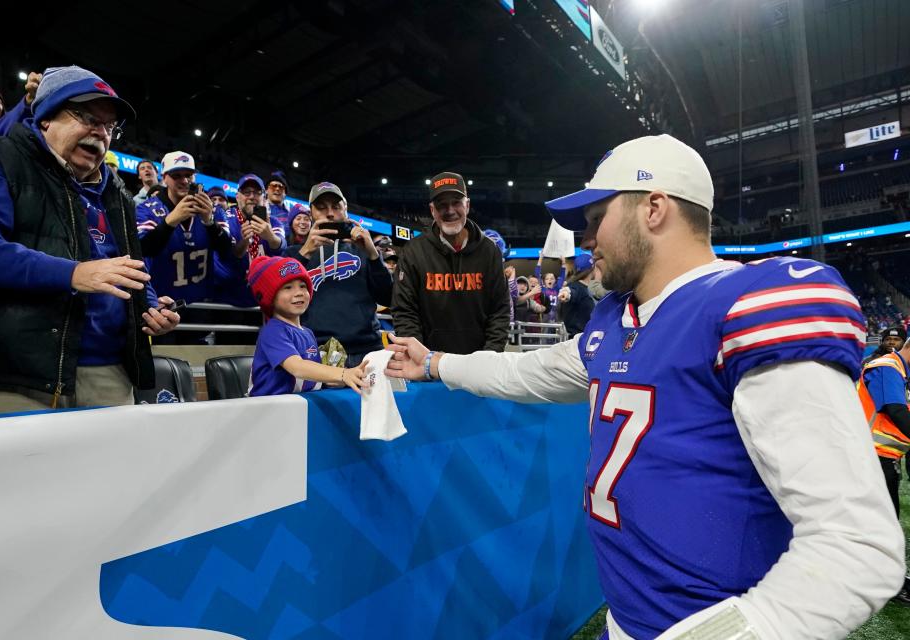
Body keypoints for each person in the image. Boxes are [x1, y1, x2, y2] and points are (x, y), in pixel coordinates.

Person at [386, 134, 904, 640]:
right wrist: (433, 362)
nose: (587, 242)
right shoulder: (619, 320)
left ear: (653, 209)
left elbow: (856, 544)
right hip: (627, 615)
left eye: (596, 221)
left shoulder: (744, 309)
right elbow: (526, 372)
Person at [0, 65, 180, 415]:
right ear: (45, 118)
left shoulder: (115, 191)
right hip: (14, 376)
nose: (99, 133)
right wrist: (73, 273)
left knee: (112, 471)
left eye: (108, 127)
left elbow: (127, 263)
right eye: (87, 117)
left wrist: (149, 306)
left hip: (109, 372)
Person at [390, 172, 510, 354]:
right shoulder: (413, 251)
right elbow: (405, 311)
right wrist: (420, 357)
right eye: (442, 205)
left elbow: (500, 310)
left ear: (467, 205)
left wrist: (489, 356)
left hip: (479, 364)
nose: (450, 210)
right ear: (432, 210)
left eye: (456, 202)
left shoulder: (489, 251)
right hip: (428, 364)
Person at [284, 181, 393, 367]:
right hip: (317, 352)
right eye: (321, 207)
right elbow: (282, 300)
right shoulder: (294, 253)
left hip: (367, 350)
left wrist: (374, 255)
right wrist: (306, 252)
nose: (329, 213)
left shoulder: (364, 250)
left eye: (336, 206)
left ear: (346, 209)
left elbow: (387, 297)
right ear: (311, 213)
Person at [247, 255, 369, 397]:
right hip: (267, 411)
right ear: (270, 298)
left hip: (300, 407)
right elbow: (297, 367)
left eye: (303, 286)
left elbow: (309, 376)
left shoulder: (307, 332)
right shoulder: (273, 330)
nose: (298, 293)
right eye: (288, 287)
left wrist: (337, 379)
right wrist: (342, 374)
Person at [135, 150, 233, 304]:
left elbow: (227, 251)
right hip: (164, 302)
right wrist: (170, 221)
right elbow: (143, 249)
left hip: (202, 302)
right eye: (177, 175)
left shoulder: (213, 209)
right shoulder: (146, 209)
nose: (185, 181)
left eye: (189, 175)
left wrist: (209, 222)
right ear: (164, 178)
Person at [857, 336, 910, 604]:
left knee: (882, 519)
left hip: (882, 455)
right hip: (872, 455)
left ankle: (889, 578)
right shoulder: (888, 367)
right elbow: (895, 410)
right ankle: (886, 581)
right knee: (883, 521)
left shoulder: (897, 369)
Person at [212, 173, 285, 307]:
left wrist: (270, 237)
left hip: (262, 301)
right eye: (246, 192)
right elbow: (226, 253)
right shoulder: (225, 217)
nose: (252, 196)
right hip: (226, 301)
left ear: (264, 197)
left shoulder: (273, 222)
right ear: (237, 196)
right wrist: (244, 241)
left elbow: (282, 247)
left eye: (257, 193)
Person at [558, 252, 596, 338]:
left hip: (583, 341)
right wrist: (566, 294)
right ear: (592, 269)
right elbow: (570, 292)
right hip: (577, 343)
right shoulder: (576, 287)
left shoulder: (584, 288)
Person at [534, 250, 567, 323]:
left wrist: (563, 263)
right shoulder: (542, 288)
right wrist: (540, 259)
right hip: (544, 315)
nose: (550, 280)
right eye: (547, 278)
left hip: (556, 315)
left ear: (555, 280)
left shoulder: (557, 288)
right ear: (544, 281)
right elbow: (537, 273)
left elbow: (562, 276)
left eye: (552, 278)